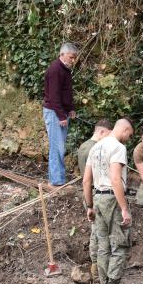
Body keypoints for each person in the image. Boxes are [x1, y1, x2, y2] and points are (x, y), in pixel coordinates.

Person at [83, 118, 134, 284]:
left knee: (103, 247)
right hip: (112, 199)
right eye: (130, 134)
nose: (129, 138)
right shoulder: (118, 147)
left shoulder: (95, 148)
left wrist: (89, 206)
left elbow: (86, 181)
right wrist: (124, 208)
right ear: (125, 129)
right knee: (120, 247)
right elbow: (115, 178)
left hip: (97, 198)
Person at [77, 119, 112, 280]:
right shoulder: (95, 149)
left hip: (88, 192)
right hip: (95, 193)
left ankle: (95, 267)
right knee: (98, 232)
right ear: (102, 132)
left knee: (96, 230)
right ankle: (96, 268)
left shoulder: (83, 146)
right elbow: (91, 178)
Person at [43, 42, 79, 188]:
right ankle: (56, 182)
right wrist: (61, 116)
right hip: (54, 112)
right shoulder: (55, 70)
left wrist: (70, 109)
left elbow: (66, 93)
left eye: (74, 58)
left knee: (60, 147)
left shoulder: (65, 70)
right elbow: (54, 96)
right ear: (62, 54)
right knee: (57, 147)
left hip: (61, 112)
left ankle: (58, 180)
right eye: (71, 57)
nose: (73, 60)